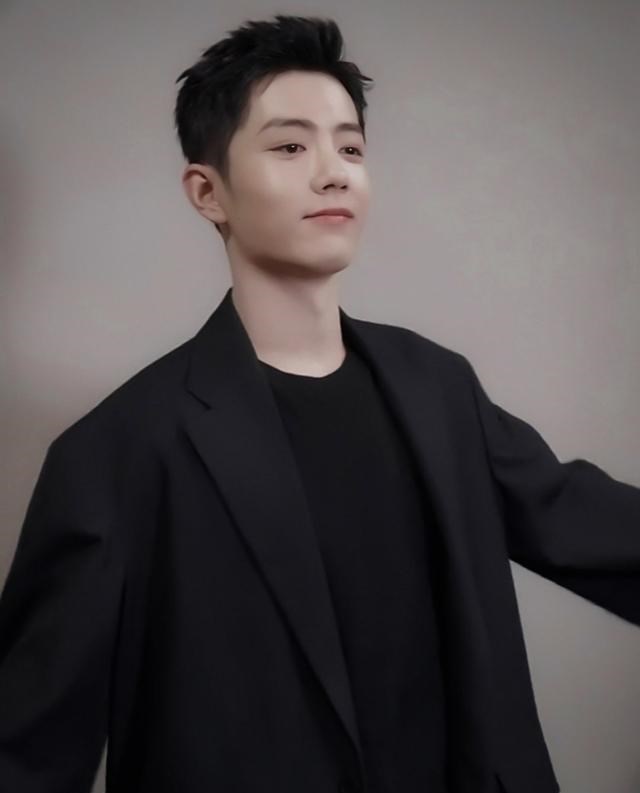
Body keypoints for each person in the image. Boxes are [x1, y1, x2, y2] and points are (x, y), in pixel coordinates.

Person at [0, 13, 638, 793]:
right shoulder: (117, 451)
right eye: (290, 147)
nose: (334, 173)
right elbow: (26, 749)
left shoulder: (437, 387)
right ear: (207, 191)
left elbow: (590, 527)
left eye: (351, 148)